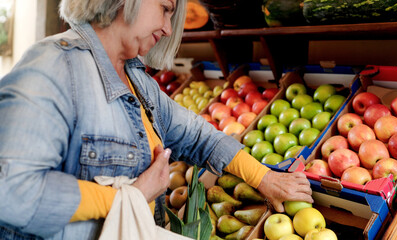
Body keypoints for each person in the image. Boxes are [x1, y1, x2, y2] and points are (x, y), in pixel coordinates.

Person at [0, 0, 313, 239]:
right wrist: (130, 197)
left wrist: (265, 178)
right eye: (165, 9)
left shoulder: (139, 82)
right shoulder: (53, 66)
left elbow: (197, 135)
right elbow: (11, 191)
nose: (167, 28)